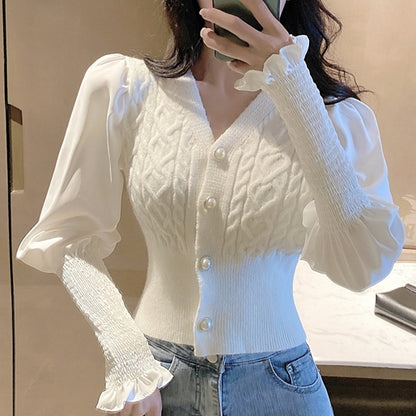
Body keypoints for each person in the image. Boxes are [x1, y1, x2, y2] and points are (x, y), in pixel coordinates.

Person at [16, 0, 405, 415]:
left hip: (281, 388)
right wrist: (128, 358)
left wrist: (293, 87)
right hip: (156, 380)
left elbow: (363, 265)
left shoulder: (335, 117)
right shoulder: (126, 88)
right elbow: (69, 236)